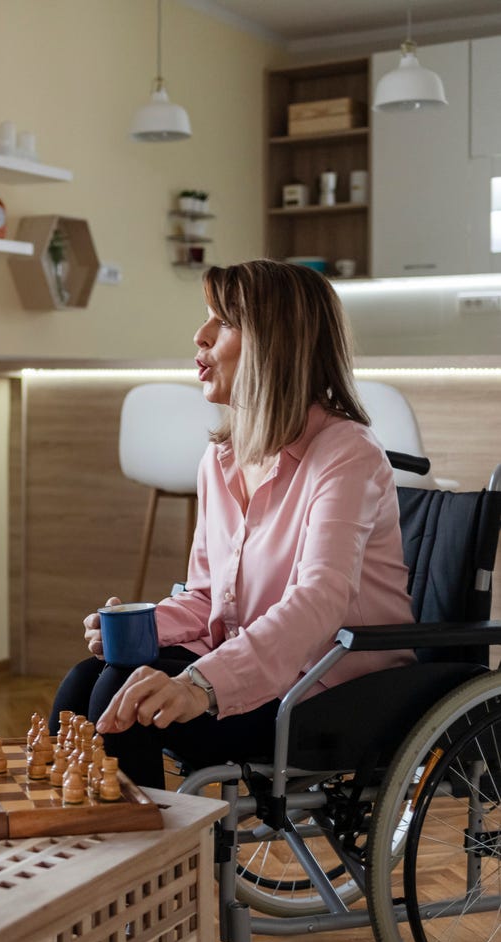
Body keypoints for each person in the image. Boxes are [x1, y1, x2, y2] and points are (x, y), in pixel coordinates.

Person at [51, 259, 416, 789]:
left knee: (121, 698)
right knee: (85, 681)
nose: (199, 337)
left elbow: (319, 599)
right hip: (258, 669)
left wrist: (201, 683)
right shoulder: (221, 459)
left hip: (331, 689)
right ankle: (88, 851)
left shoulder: (346, 453)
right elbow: (207, 597)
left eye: (222, 322)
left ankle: (151, 864)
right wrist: (144, 628)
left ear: (276, 343)